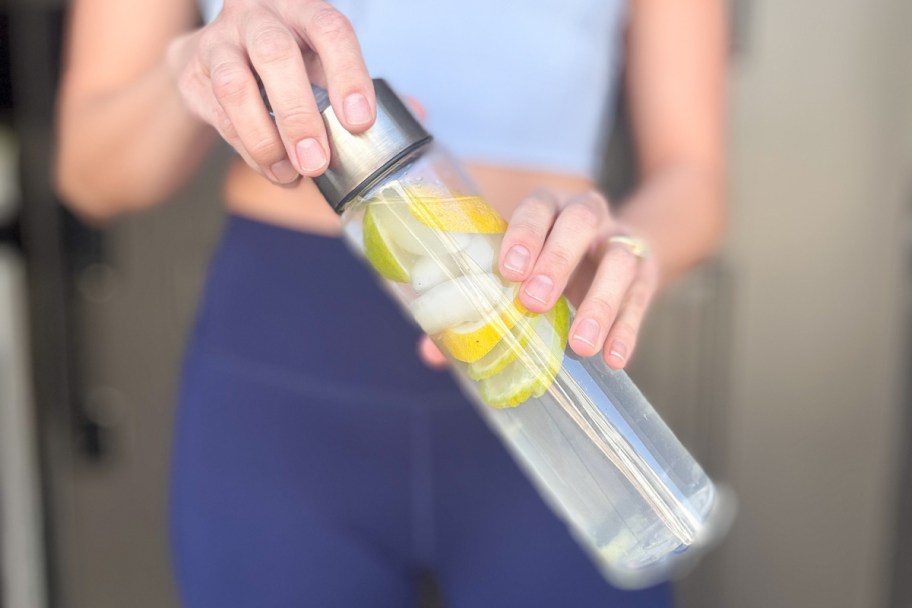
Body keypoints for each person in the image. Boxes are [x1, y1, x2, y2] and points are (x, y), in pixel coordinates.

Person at [55, 0, 726, 605]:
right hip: (282, 385)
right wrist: (193, 64)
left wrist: (626, 248)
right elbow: (90, 171)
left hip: (546, 355)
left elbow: (692, 177)